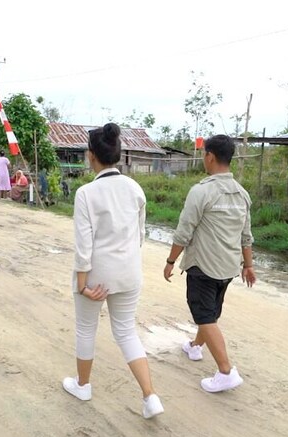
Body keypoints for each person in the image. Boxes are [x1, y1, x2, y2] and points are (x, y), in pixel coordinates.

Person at [63, 123, 163, 419]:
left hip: (96, 275)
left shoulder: (86, 193)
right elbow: (140, 235)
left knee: (86, 329)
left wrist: (82, 285)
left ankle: (83, 386)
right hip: (129, 273)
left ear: (91, 155)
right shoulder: (135, 188)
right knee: (126, 331)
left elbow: (84, 245)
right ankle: (150, 396)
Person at [163, 134, 256, 393]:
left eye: (204, 155)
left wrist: (171, 260)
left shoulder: (202, 191)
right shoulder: (242, 194)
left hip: (203, 266)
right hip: (228, 268)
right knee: (211, 313)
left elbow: (184, 231)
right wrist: (248, 265)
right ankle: (195, 347)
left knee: (204, 316)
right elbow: (246, 235)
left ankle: (226, 371)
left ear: (210, 156)